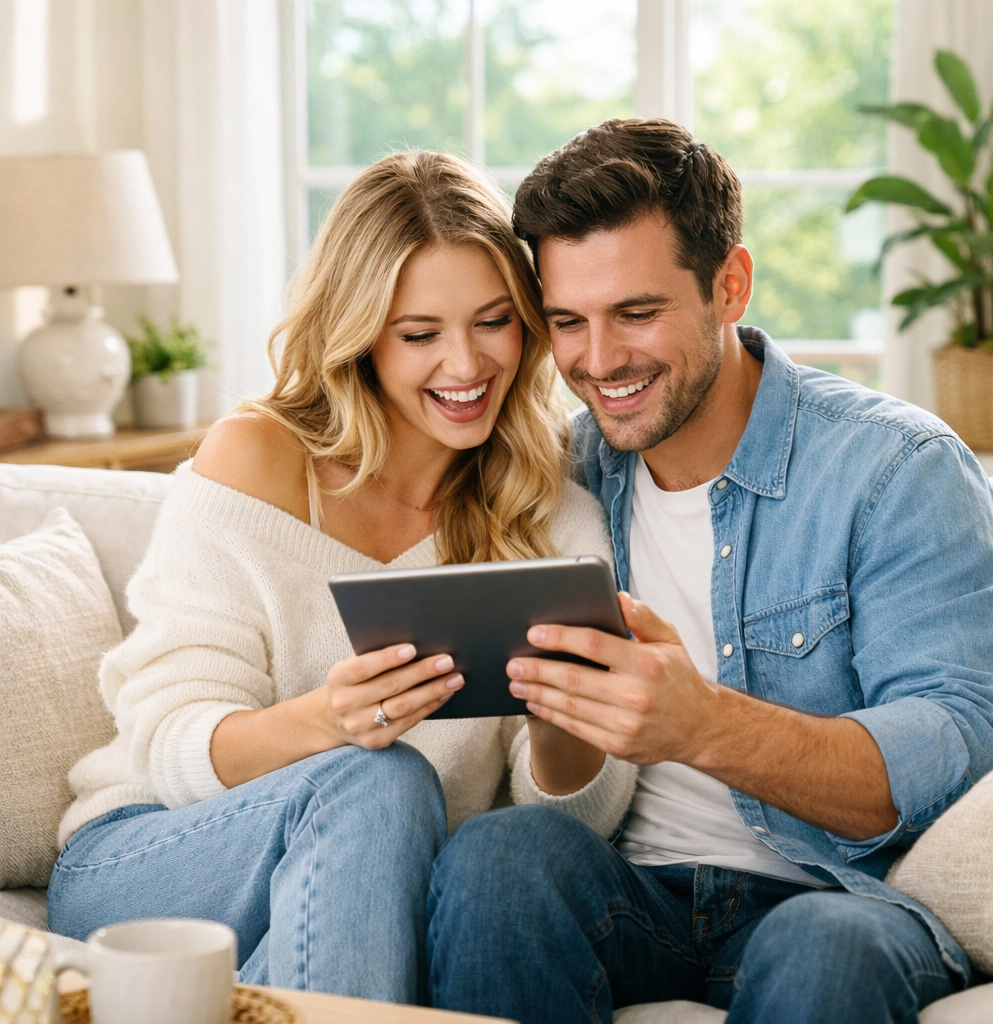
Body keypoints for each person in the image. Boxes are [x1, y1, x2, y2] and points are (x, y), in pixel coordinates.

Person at [426, 119, 993, 1023]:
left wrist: (704, 725)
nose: (597, 360)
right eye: (566, 323)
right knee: (497, 856)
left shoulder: (894, 467)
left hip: (833, 898)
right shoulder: (564, 476)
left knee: (823, 944)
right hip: (631, 896)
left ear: (729, 285)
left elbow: (965, 738)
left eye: (636, 313)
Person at [47, 150, 635, 1003]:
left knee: (388, 802)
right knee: (381, 774)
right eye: (419, 334)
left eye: (494, 320)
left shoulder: (553, 513)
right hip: (157, 857)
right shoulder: (260, 460)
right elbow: (169, 745)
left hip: (364, 896)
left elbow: (576, 823)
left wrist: (564, 715)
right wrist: (326, 720)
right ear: (360, 336)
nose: (466, 366)